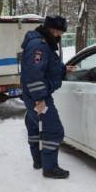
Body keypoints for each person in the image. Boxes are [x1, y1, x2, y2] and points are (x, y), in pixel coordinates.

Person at [21, 15, 75, 179]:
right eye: (60, 32)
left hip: (33, 95)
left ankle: (38, 161)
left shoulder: (43, 43)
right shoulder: (40, 45)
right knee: (54, 131)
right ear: (53, 30)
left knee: (33, 126)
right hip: (39, 96)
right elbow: (34, 74)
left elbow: (47, 66)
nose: (61, 36)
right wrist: (40, 99)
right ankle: (50, 168)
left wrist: (64, 70)